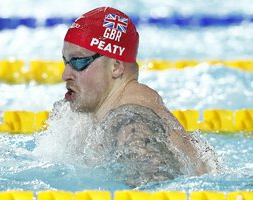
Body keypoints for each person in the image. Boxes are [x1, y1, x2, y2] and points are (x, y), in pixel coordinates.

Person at [61, 7, 219, 187]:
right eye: (66, 62)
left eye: (79, 62)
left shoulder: (129, 121)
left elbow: (159, 189)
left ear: (116, 67)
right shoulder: (131, 108)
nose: (65, 74)